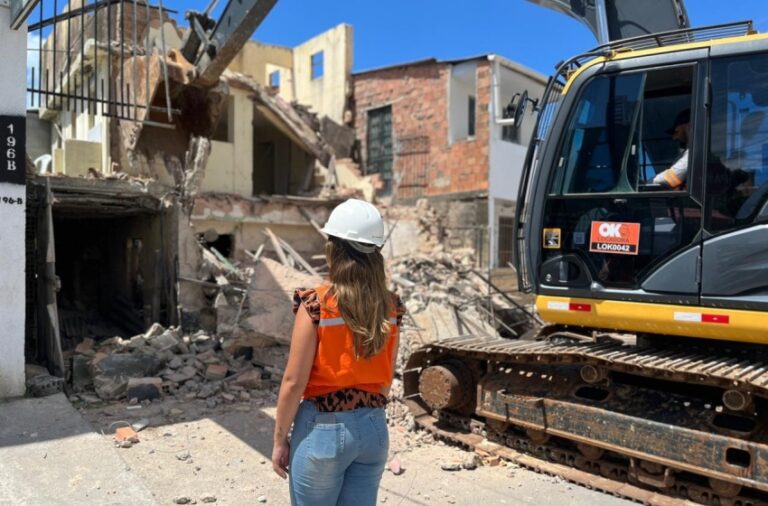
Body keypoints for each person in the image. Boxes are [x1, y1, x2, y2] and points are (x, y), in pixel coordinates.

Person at [271, 198, 405, 506]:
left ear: (333, 250)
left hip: (322, 429)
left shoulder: (316, 304)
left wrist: (280, 439)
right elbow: (385, 379)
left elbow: (293, 382)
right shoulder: (392, 306)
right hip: (373, 428)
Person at [653, 108, 691, 189]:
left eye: (676, 132)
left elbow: (669, 179)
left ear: (689, 127)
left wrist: (648, 183)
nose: (674, 138)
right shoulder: (686, 154)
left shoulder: (693, 154)